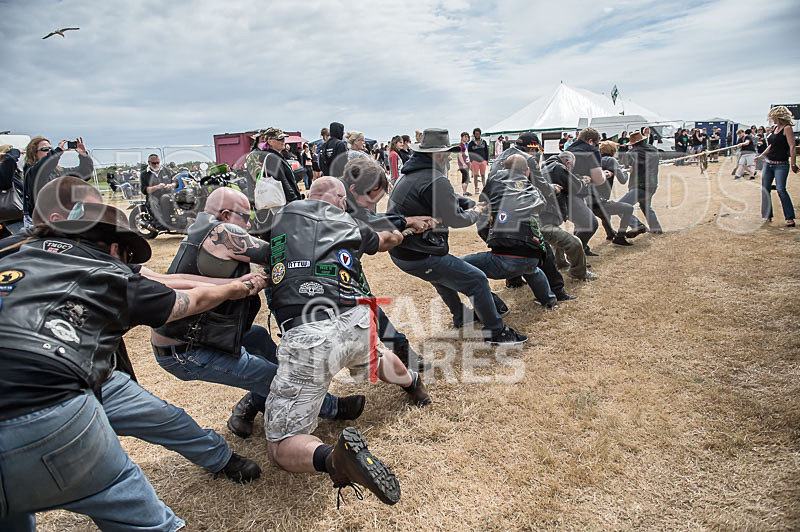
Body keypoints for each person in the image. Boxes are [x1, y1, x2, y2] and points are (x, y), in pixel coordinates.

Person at [0, 196, 265, 530]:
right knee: (120, 491)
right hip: (51, 401)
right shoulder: (108, 273)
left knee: (165, 418)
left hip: (80, 375)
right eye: (126, 256)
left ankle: (220, 458)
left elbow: (162, 279)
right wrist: (233, 291)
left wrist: (232, 285)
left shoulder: (15, 248)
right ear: (114, 248)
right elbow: (186, 299)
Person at [264, 177, 431, 507]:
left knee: (280, 445)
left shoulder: (277, 219)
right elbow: (386, 239)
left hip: (308, 331)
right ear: (340, 200)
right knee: (374, 357)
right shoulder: (347, 220)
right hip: (354, 319)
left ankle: (334, 460)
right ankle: (413, 384)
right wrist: (404, 232)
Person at [151, 187, 363, 440]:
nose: (250, 224)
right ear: (227, 214)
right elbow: (280, 254)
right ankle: (333, 408)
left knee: (261, 340)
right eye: (245, 217)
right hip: (188, 350)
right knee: (272, 376)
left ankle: (247, 408)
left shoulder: (200, 228)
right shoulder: (223, 231)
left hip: (203, 331)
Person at [387, 128, 527, 344]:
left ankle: (462, 316)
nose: (448, 157)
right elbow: (457, 219)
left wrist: (472, 203)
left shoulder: (413, 174)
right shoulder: (434, 179)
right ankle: (497, 333)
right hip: (418, 253)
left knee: (441, 276)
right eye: (446, 152)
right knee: (477, 280)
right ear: (437, 154)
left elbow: (450, 198)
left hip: (405, 252)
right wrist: (477, 212)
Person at [340, 157, 436, 371]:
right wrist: (406, 222)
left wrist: (406, 220)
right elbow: (367, 220)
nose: (373, 207)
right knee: (365, 306)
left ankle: (401, 350)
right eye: (371, 200)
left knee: (367, 305)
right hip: (324, 271)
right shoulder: (339, 204)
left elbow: (369, 217)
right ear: (354, 189)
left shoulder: (338, 193)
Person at [489, 133, 580, 298]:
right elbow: (541, 187)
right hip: (519, 214)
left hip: (497, 216)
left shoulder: (499, 159)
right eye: (536, 149)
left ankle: (514, 280)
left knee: (506, 247)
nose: (537, 154)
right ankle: (558, 291)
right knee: (543, 252)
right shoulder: (527, 160)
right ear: (532, 147)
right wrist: (554, 188)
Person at [464, 154, 556, 308]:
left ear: (504, 168)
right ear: (526, 171)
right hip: (534, 255)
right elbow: (543, 205)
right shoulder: (531, 188)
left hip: (506, 257)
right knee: (530, 268)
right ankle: (549, 300)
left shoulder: (495, 179)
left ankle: (497, 307)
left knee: (460, 267)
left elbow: (483, 201)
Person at [541, 151, 599, 281]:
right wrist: (584, 180)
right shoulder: (558, 168)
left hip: (545, 217)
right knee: (575, 242)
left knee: (557, 237)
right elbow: (576, 186)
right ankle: (578, 272)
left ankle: (560, 262)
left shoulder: (545, 167)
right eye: (570, 168)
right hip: (545, 219)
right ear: (567, 163)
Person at [22, 135, 93, 227]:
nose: (49, 151)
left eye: (50, 148)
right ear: (34, 153)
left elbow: (84, 174)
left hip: (58, 219)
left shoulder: (58, 172)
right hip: (39, 222)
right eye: (44, 149)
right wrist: (57, 151)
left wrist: (83, 155)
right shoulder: (31, 172)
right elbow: (43, 168)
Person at [566, 128, 607, 256]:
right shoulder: (592, 151)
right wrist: (606, 175)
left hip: (565, 192)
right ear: (590, 141)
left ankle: (582, 249)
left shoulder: (567, 150)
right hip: (578, 191)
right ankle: (574, 254)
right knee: (590, 224)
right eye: (597, 143)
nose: (597, 146)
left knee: (580, 222)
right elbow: (598, 179)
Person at [755, 106, 797, 226]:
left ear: (778, 116)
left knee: (780, 189)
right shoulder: (774, 128)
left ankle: (789, 217)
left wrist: (793, 163)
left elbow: (792, 147)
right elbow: (771, 146)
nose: (771, 119)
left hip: (781, 165)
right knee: (765, 189)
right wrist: (761, 156)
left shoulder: (787, 128)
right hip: (769, 164)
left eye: (773, 117)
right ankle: (767, 216)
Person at [618, 130, 663, 234]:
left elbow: (626, 165)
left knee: (620, 207)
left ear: (633, 144)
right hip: (652, 184)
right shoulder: (654, 149)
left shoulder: (632, 153)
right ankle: (656, 229)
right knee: (646, 207)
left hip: (639, 185)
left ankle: (638, 225)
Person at [140, 153, 175, 230]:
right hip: (153, 195)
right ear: (149, 163)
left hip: (167, 193)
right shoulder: (144, 174)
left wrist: (171, 185)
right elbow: (144, 189)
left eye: (157, 162)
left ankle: (170, 221)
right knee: (153, 202)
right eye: (154, 163)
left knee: (165, 198)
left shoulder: (167, 171)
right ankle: (160, 224)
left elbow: (176, 181)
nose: (156, 164)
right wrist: (156, 187)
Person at [0, 145, 24, 233]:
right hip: (11, 221)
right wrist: (15, 151)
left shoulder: (15, 173)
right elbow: (9, 161)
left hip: (16, 218)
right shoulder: (4, 172)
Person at [468, 128, 490, 195]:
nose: (477, 135)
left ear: (480, 134)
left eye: (478, 133)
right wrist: (472, 161)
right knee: (475, 175)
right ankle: (476, 188)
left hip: (483, 161)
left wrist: (486, 160)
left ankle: (484, 188)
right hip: (475, 162)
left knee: (483, 175)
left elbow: (486, 151)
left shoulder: (484, 142)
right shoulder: (471, 143)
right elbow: (470, 153)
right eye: (476, 134)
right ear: (474, 134)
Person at [457, 131, 471, 195]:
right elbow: (460, 155)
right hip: (464, 164)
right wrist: (463, 164)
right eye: (465, 137)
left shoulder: (464, 145)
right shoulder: (461, 146)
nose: (466, 138)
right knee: (466, 178)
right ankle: (464, 192)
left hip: (466, 163)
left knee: (465, 178)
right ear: (462, 137)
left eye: (467, 137)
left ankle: (465, 191)